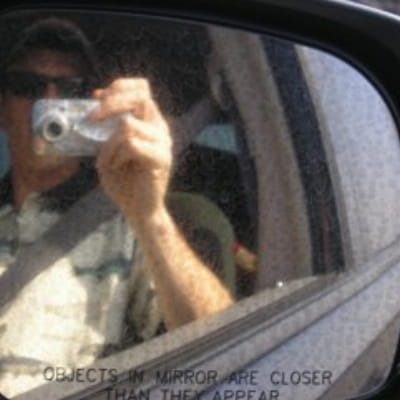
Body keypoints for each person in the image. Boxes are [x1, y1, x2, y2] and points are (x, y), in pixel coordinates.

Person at [0, 17, 233, 397]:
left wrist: (150, 214)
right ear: (2, 108)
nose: (50, 102)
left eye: (71, 89)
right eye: (27, 86)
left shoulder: (129, 227)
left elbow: (224, 351)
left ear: (94, 108)